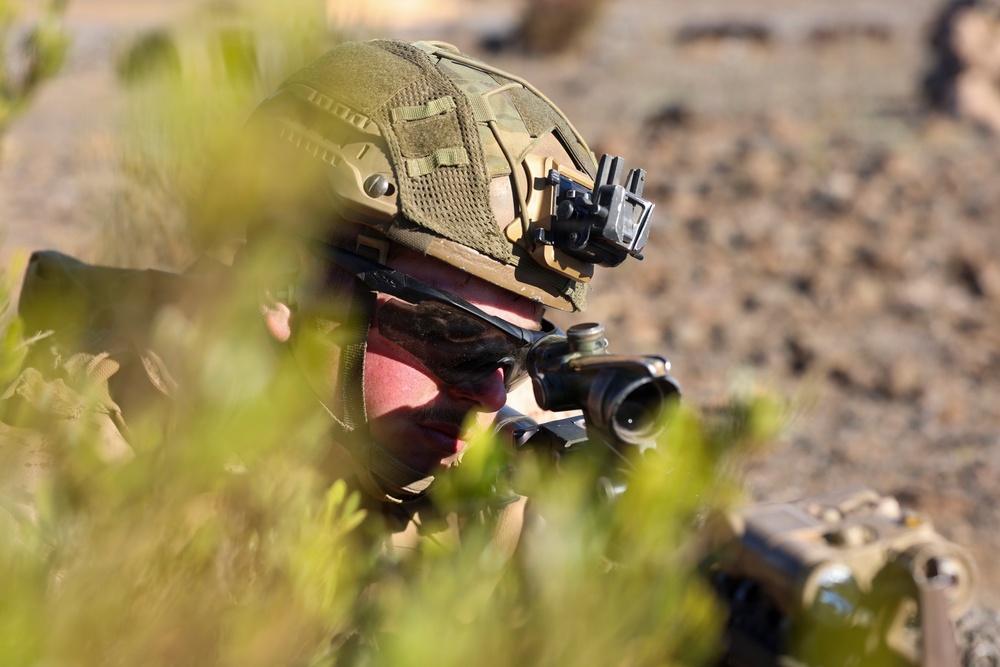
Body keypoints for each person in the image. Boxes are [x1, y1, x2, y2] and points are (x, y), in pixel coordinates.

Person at [1, 38, 653, 561]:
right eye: (457, 342)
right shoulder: (55, 504)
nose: (487, 394)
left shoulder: (441, 488)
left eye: (516, 356)